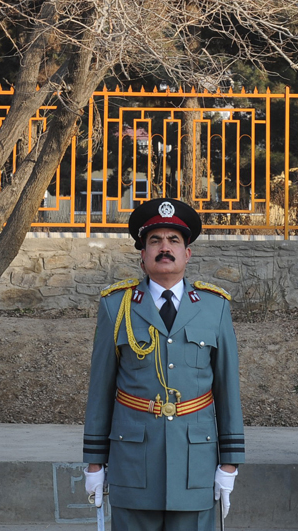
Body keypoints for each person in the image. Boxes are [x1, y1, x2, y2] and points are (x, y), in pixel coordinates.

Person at [82, 198, 244, 531]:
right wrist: (94, 463)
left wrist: (229, 463)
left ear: (188, 253)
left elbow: (228, 389)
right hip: (134, 462)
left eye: (174, 241)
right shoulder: (116, 306)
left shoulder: (215, 307)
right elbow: (100, 389)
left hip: (194, 462)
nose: (164, 248)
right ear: (142, 255)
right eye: (155, 241)